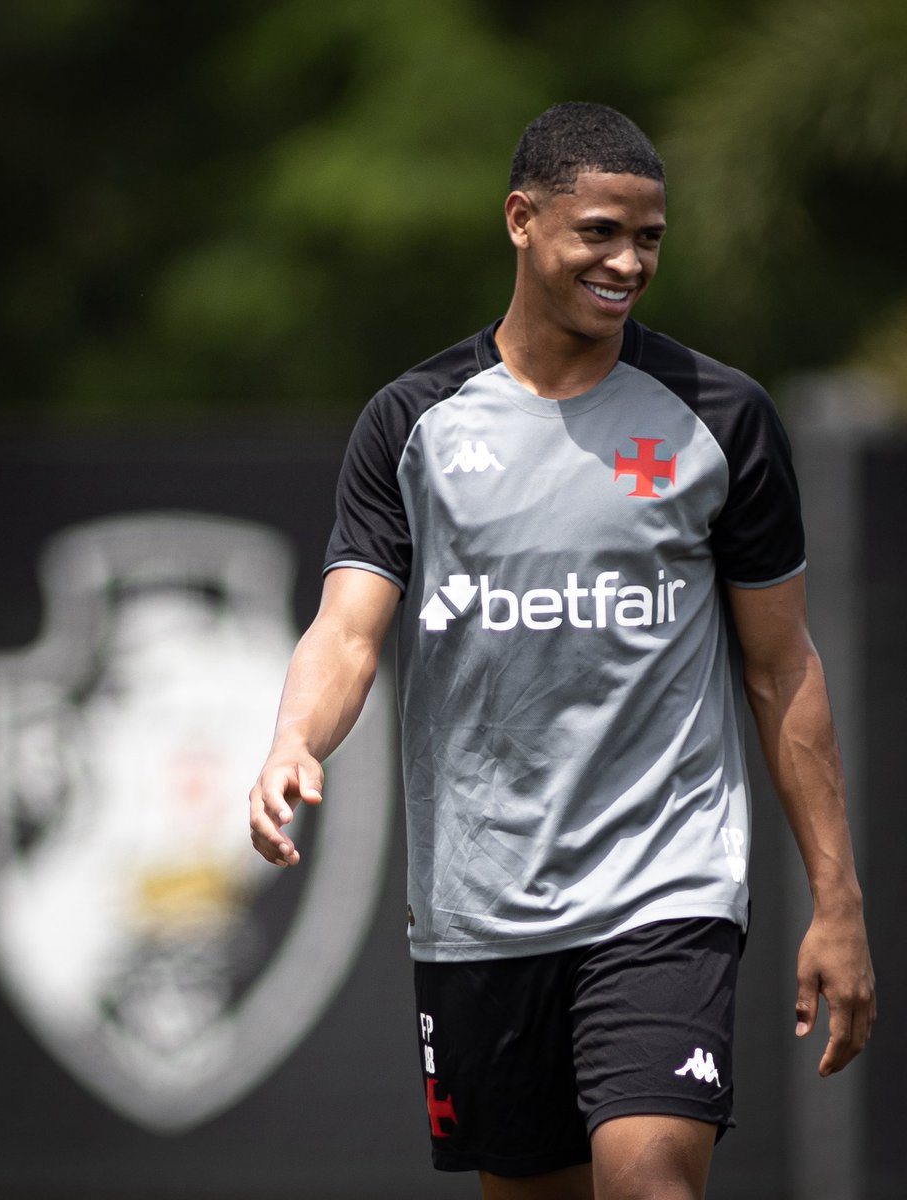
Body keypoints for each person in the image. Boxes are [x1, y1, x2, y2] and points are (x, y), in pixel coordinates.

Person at [249, 102, 875, 1200]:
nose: (628, 262)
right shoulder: (414, 421)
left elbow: (783, 670)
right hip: (481, 910)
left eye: (649, 238)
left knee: (649, 1184)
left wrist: (838, 900)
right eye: (599, 232)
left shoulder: (721, 418)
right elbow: (347, 629)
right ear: (521, 220)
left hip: (665, 888)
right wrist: (294, 740)